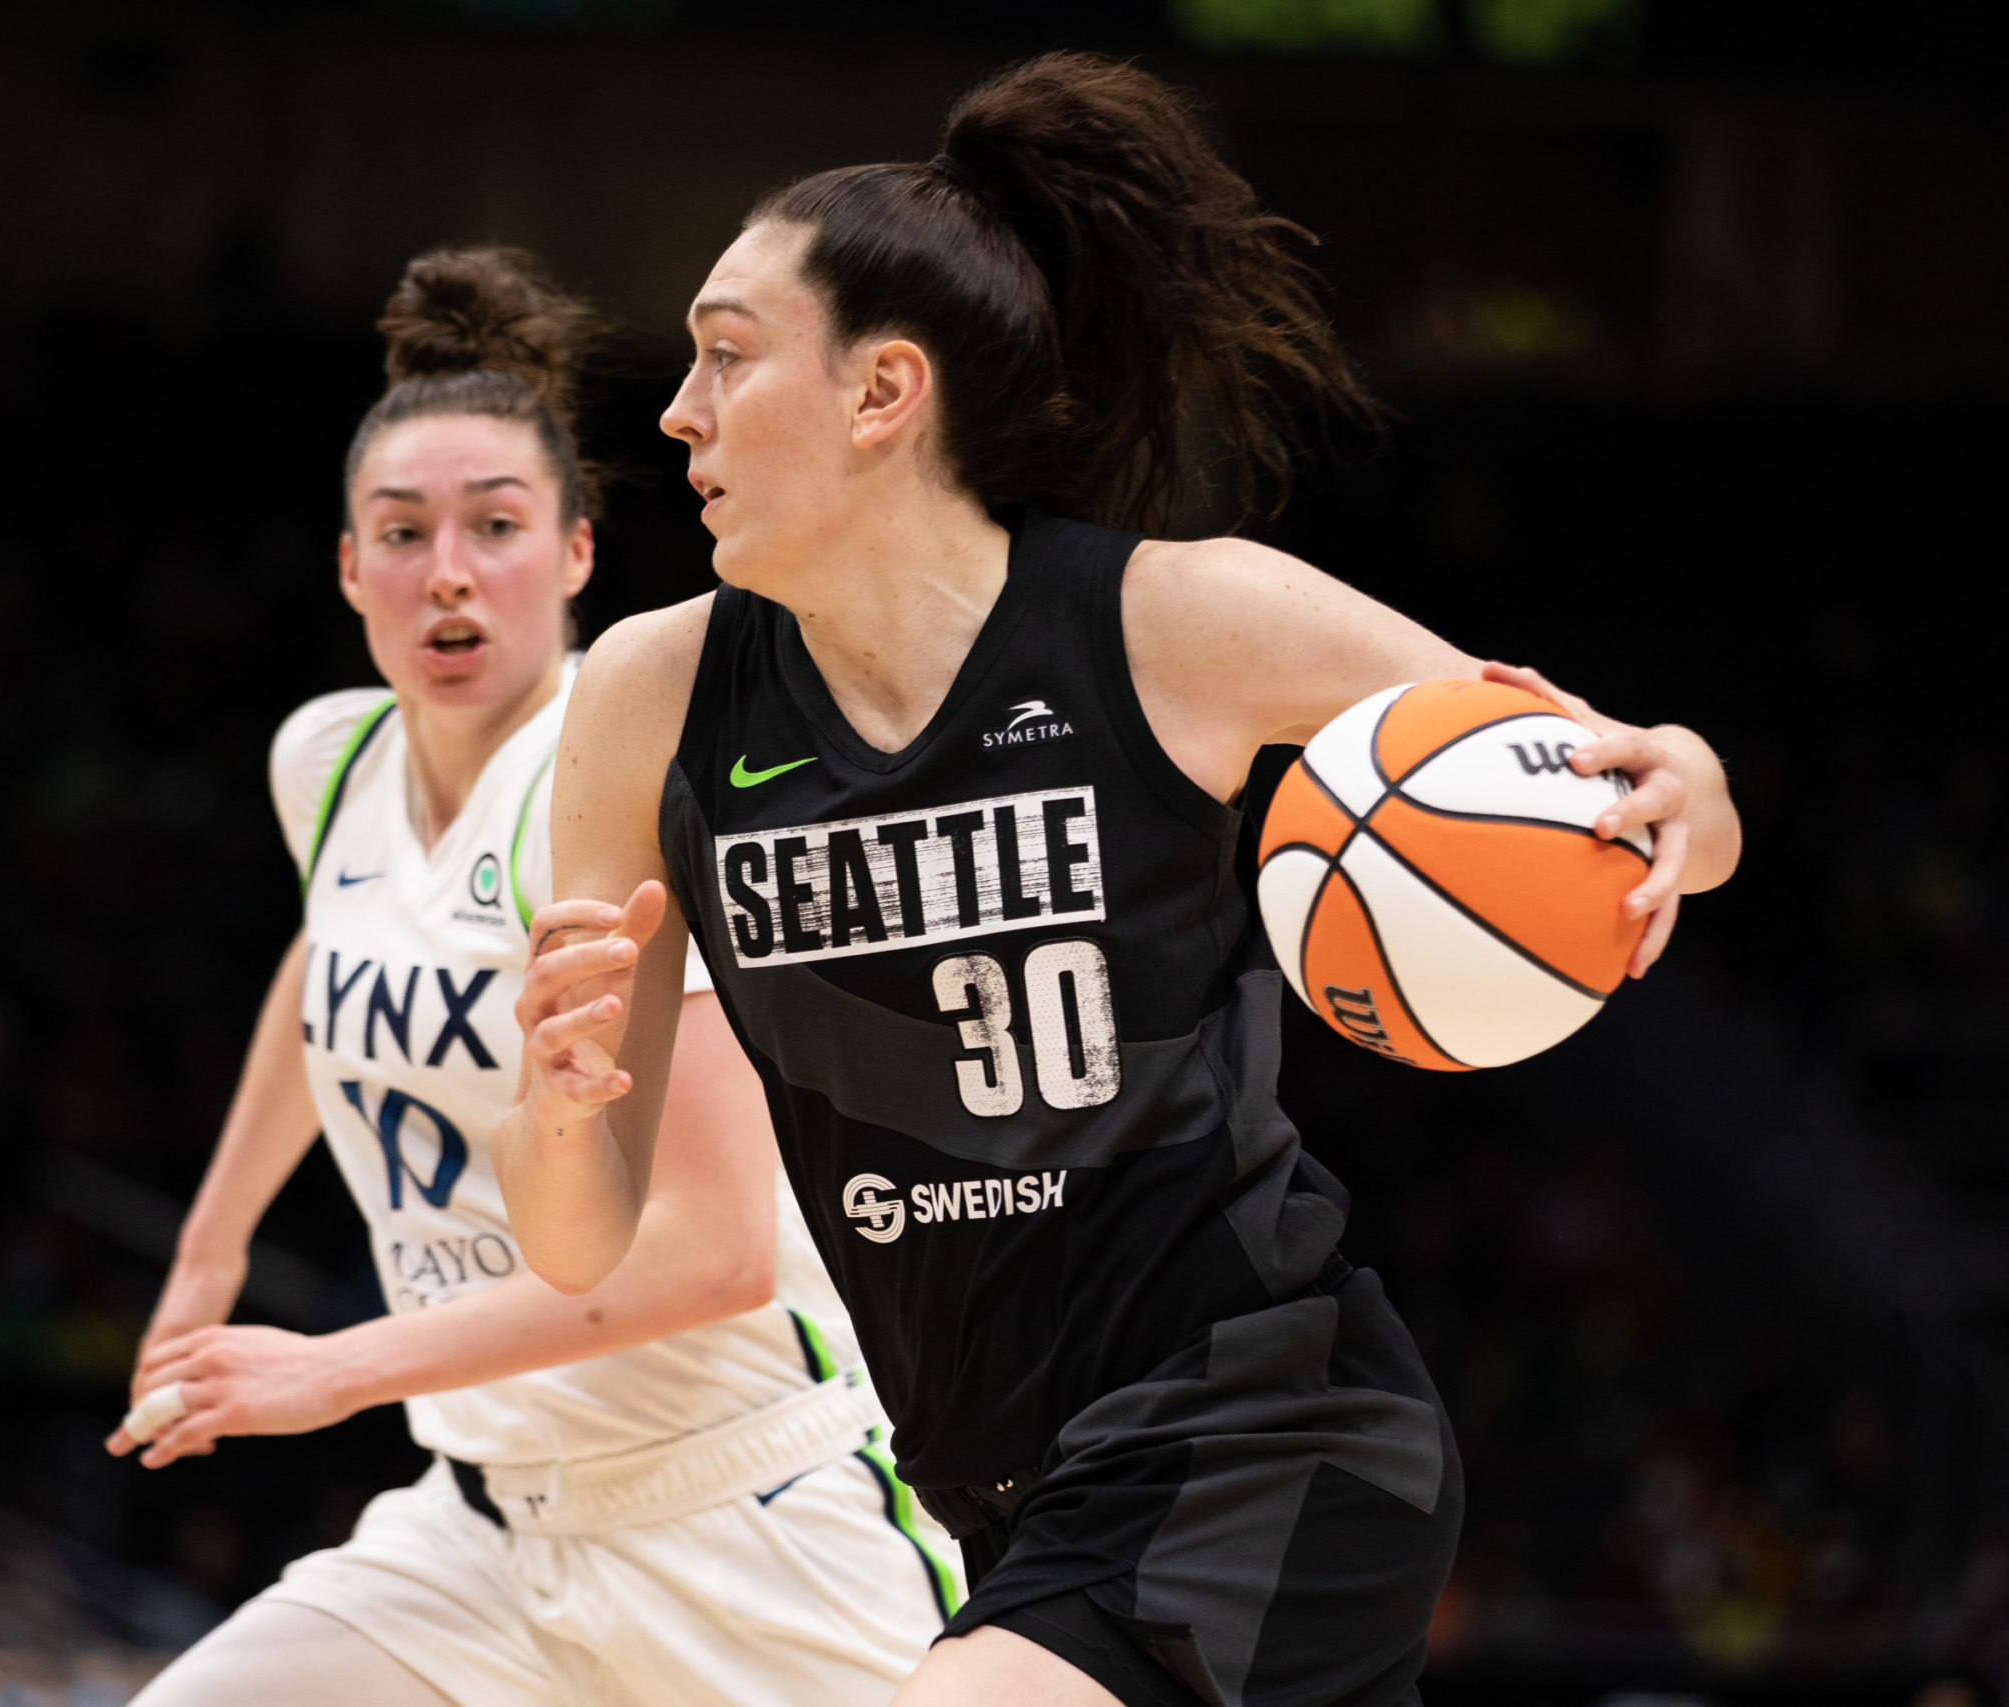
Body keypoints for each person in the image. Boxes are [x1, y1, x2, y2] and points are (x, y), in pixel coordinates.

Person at [496, 52, 1744, 1707]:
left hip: (1260, 1430)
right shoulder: (653, 702)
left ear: (884, 392)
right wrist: (559, 1095)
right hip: (997, 1496)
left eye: (729, 357)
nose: (677, 411)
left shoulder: (1173, 623)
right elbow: (576, 1240)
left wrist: (1697, 785)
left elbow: (1608, 798)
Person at [111, 247, 959, 1707]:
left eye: (495, 524)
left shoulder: (618, 775)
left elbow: (716, 1253)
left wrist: (333, 1370)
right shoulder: (325, 763)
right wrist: (210, 1249)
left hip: (745, 1526)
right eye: (402, 529)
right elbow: (334, 951)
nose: (446, 567)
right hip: (488, 1526)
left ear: (573, 553)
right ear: (348, 567)